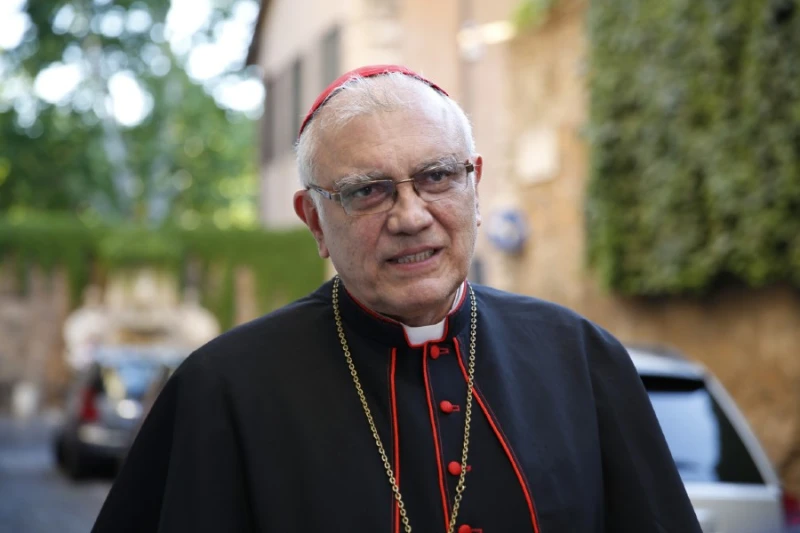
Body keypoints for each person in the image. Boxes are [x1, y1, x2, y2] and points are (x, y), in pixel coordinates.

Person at [91, 65, 702, 533]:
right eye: (368, 191)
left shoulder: (581, 357)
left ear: (475, 187)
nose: (411, 217)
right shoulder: (224, 388)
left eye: (437, 176)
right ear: (314, 221)